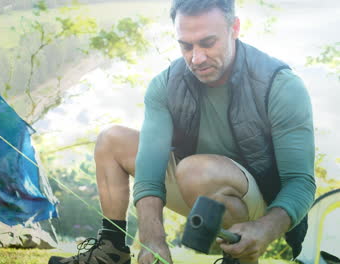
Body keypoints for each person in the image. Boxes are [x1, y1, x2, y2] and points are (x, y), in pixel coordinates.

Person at [49, 0, 316, 263]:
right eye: (186, 46)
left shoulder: (279, 84)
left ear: (234, 28)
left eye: (208, 43)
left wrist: (264, 229)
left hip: (258, 202)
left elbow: (301, 183)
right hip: (194, 185)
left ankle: (237, 258)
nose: (196, 58)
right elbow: (150, 170)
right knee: (112, 140)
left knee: (196, 170)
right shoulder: (165, 85)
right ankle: (112, 249)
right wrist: (153, 241)